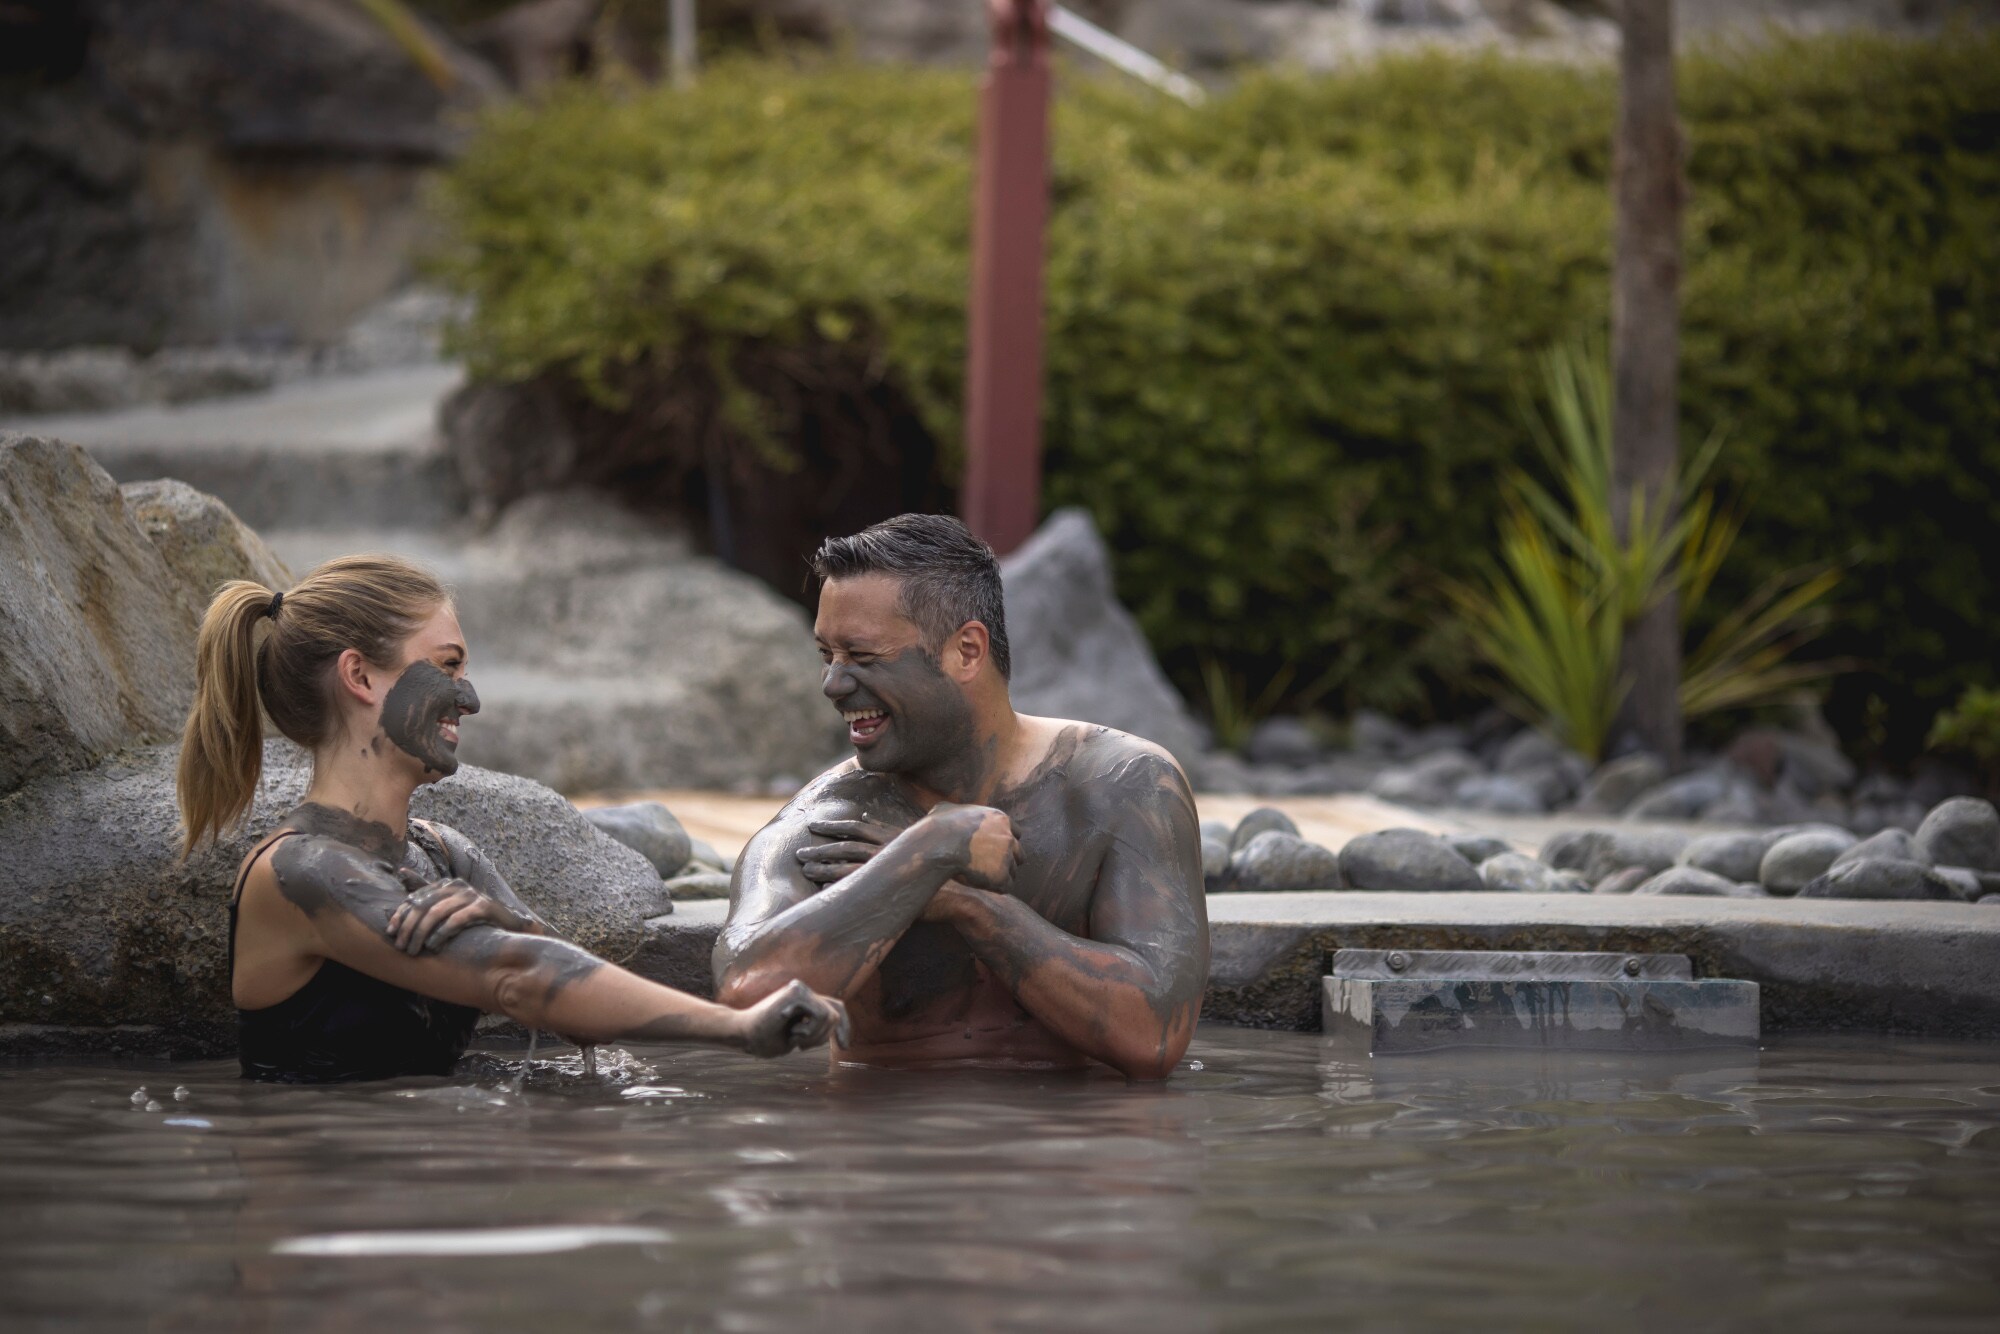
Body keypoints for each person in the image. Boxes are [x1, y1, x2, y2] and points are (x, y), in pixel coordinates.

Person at [178, 554, 846, 1083]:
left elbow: (573, 1010)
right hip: (318, 1227)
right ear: (361, 677)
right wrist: (737, 1028)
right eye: (447, 665)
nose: (468, 697)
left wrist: (510, 919)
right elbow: (519, 976)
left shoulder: (442, 853)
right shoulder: (299, 873)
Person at [714, 514, 1209, 1079]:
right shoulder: (830, 821)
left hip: (1075, 1151)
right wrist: (927, 850)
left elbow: (1155, 1038)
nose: (833, 684)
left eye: (864, 657)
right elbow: (745, 997)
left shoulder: (1122, 785)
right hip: (888, 1150)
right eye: (827, 655)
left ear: (967, 652)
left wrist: (970, 906)